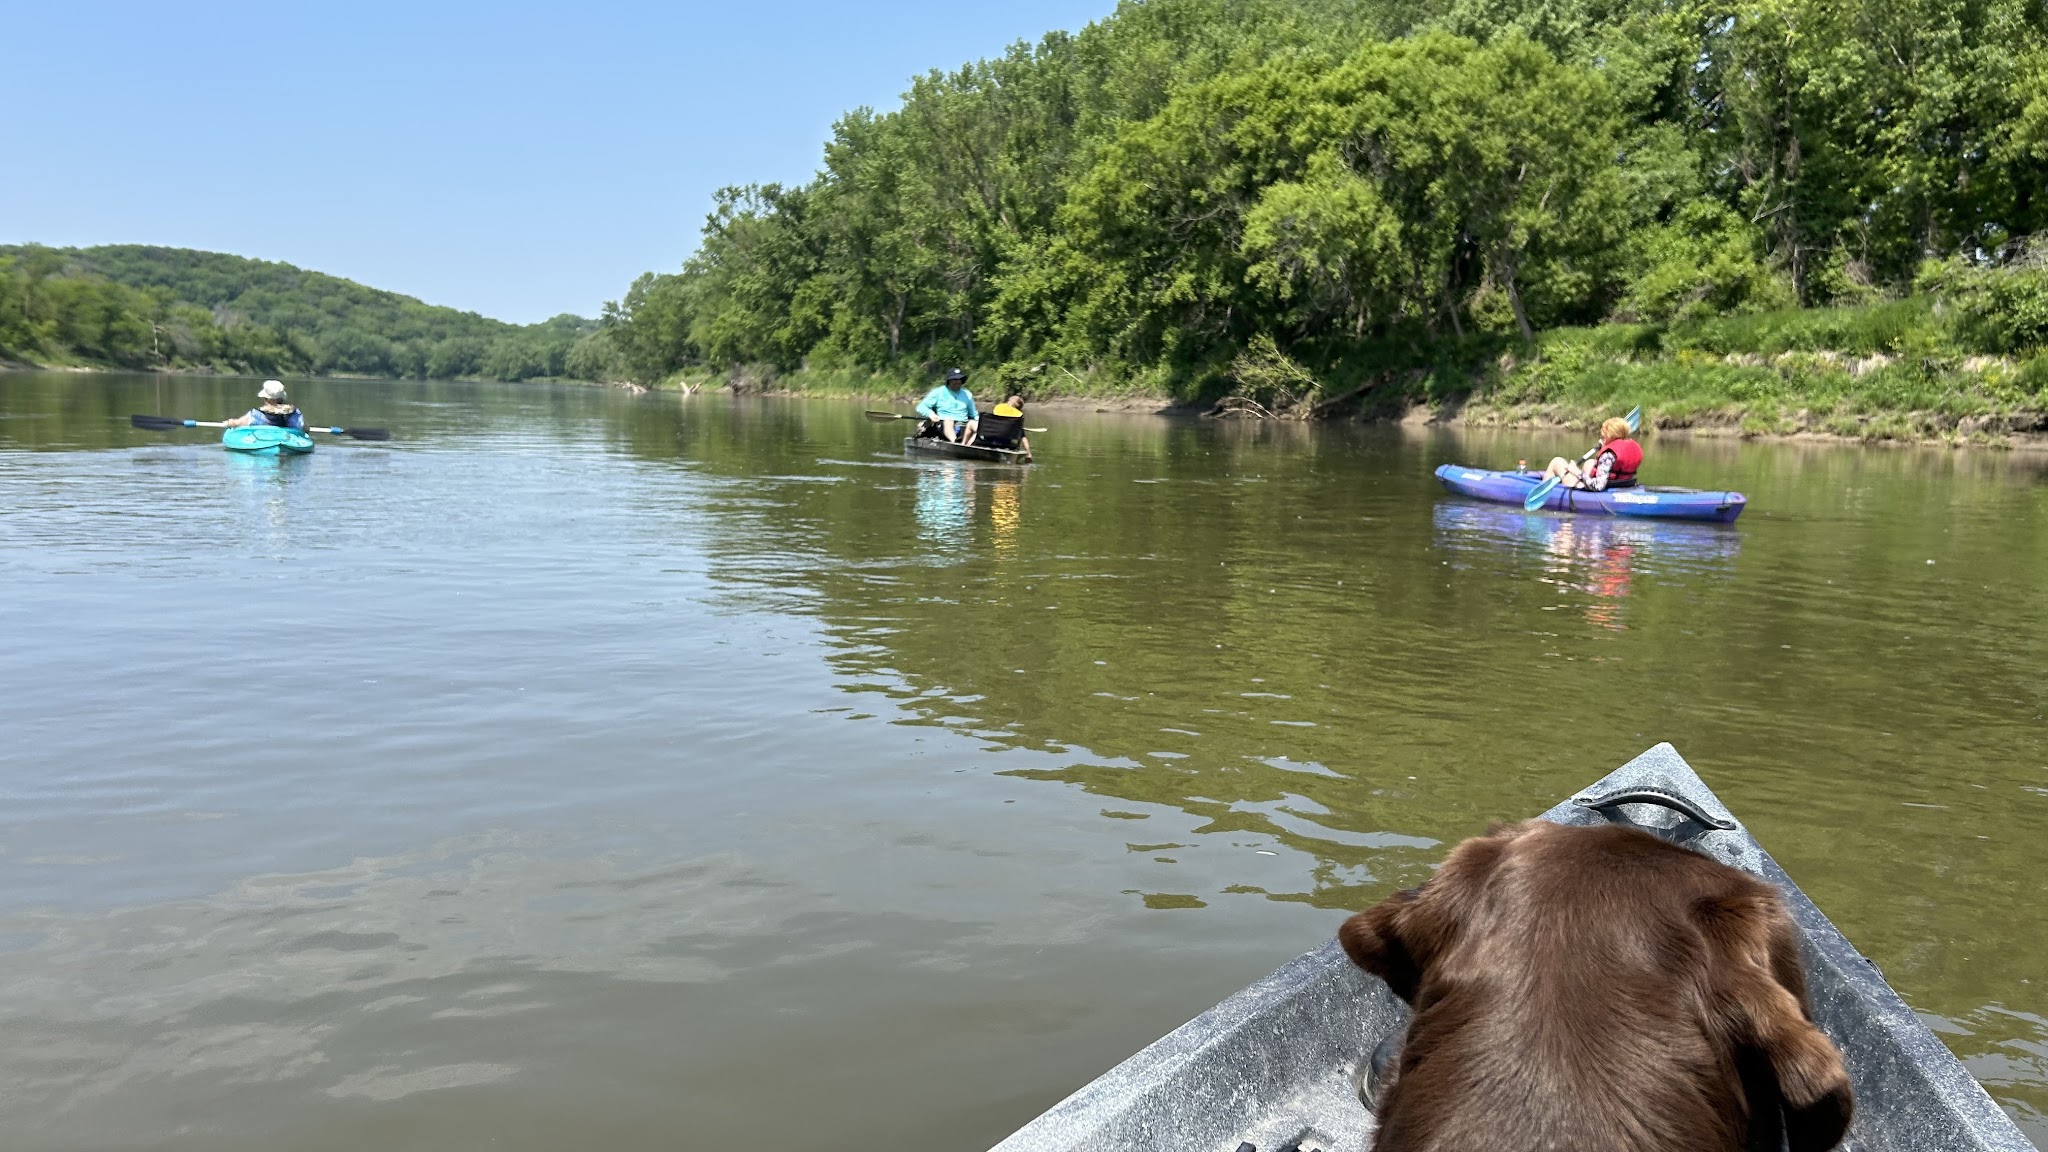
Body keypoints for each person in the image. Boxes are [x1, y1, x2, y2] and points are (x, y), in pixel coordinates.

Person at [1541, 416, 1640, 491]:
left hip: (1594, 490)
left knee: (1557, 462)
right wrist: (1605, 445)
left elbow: (1598, 486)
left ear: (1609, 435)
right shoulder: (1627, 447)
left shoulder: (1608, 455)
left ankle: (1541, 490)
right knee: (1590, 462)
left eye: (1603, 435)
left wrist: (1576, 472)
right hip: (1620, 485)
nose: (1601, 436)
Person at [915, 368, 977, 443]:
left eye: (960, 379)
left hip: (963, 425)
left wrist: (981, 422)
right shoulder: (938, 392)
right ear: (949, 381)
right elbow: (921, 407)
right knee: (948, 420)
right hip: (944, 424)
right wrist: (931, 414)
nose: (958, 381)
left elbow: (974, 414)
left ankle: (972, 443)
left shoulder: (968, 394)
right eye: (955, 379)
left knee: (975, 423)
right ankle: (954, 441)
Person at [223, 380, 306, 430]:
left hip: (264, 440)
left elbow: (239, 423)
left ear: (265, 398)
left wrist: (229, 422)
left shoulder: (256, 414)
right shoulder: (293, 412)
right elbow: (304, 428)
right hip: (286, 439)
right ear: (282, 398)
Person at [974, 394, 1033, 460]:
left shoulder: (998, 411)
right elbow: (1023, 438)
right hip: (1005, 444)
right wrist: (1029, 454)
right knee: (1019, 436)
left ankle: (967, 443)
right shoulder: (1016, 421)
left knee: (971, 424)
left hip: (988, 441)